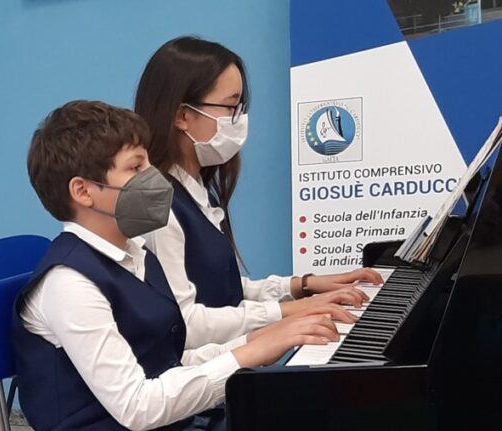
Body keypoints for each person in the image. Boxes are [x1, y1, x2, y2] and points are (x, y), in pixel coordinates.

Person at [15, 99, 342, 431]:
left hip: (161, 422)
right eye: (136, 166)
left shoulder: (134, 253)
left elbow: (167, 354)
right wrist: (246, 354)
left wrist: (261, 340)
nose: (153, 177)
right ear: (83, 191)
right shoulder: (69, 284)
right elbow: (136, 405)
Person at [134, 36, 385, 349]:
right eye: (230, 107)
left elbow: (217, 290)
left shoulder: (195, 188)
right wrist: (291, 311)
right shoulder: (155, 204)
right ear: (182, 116)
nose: (239, 120)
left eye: (241, 107)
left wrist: (304, 286)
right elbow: (185, 323)